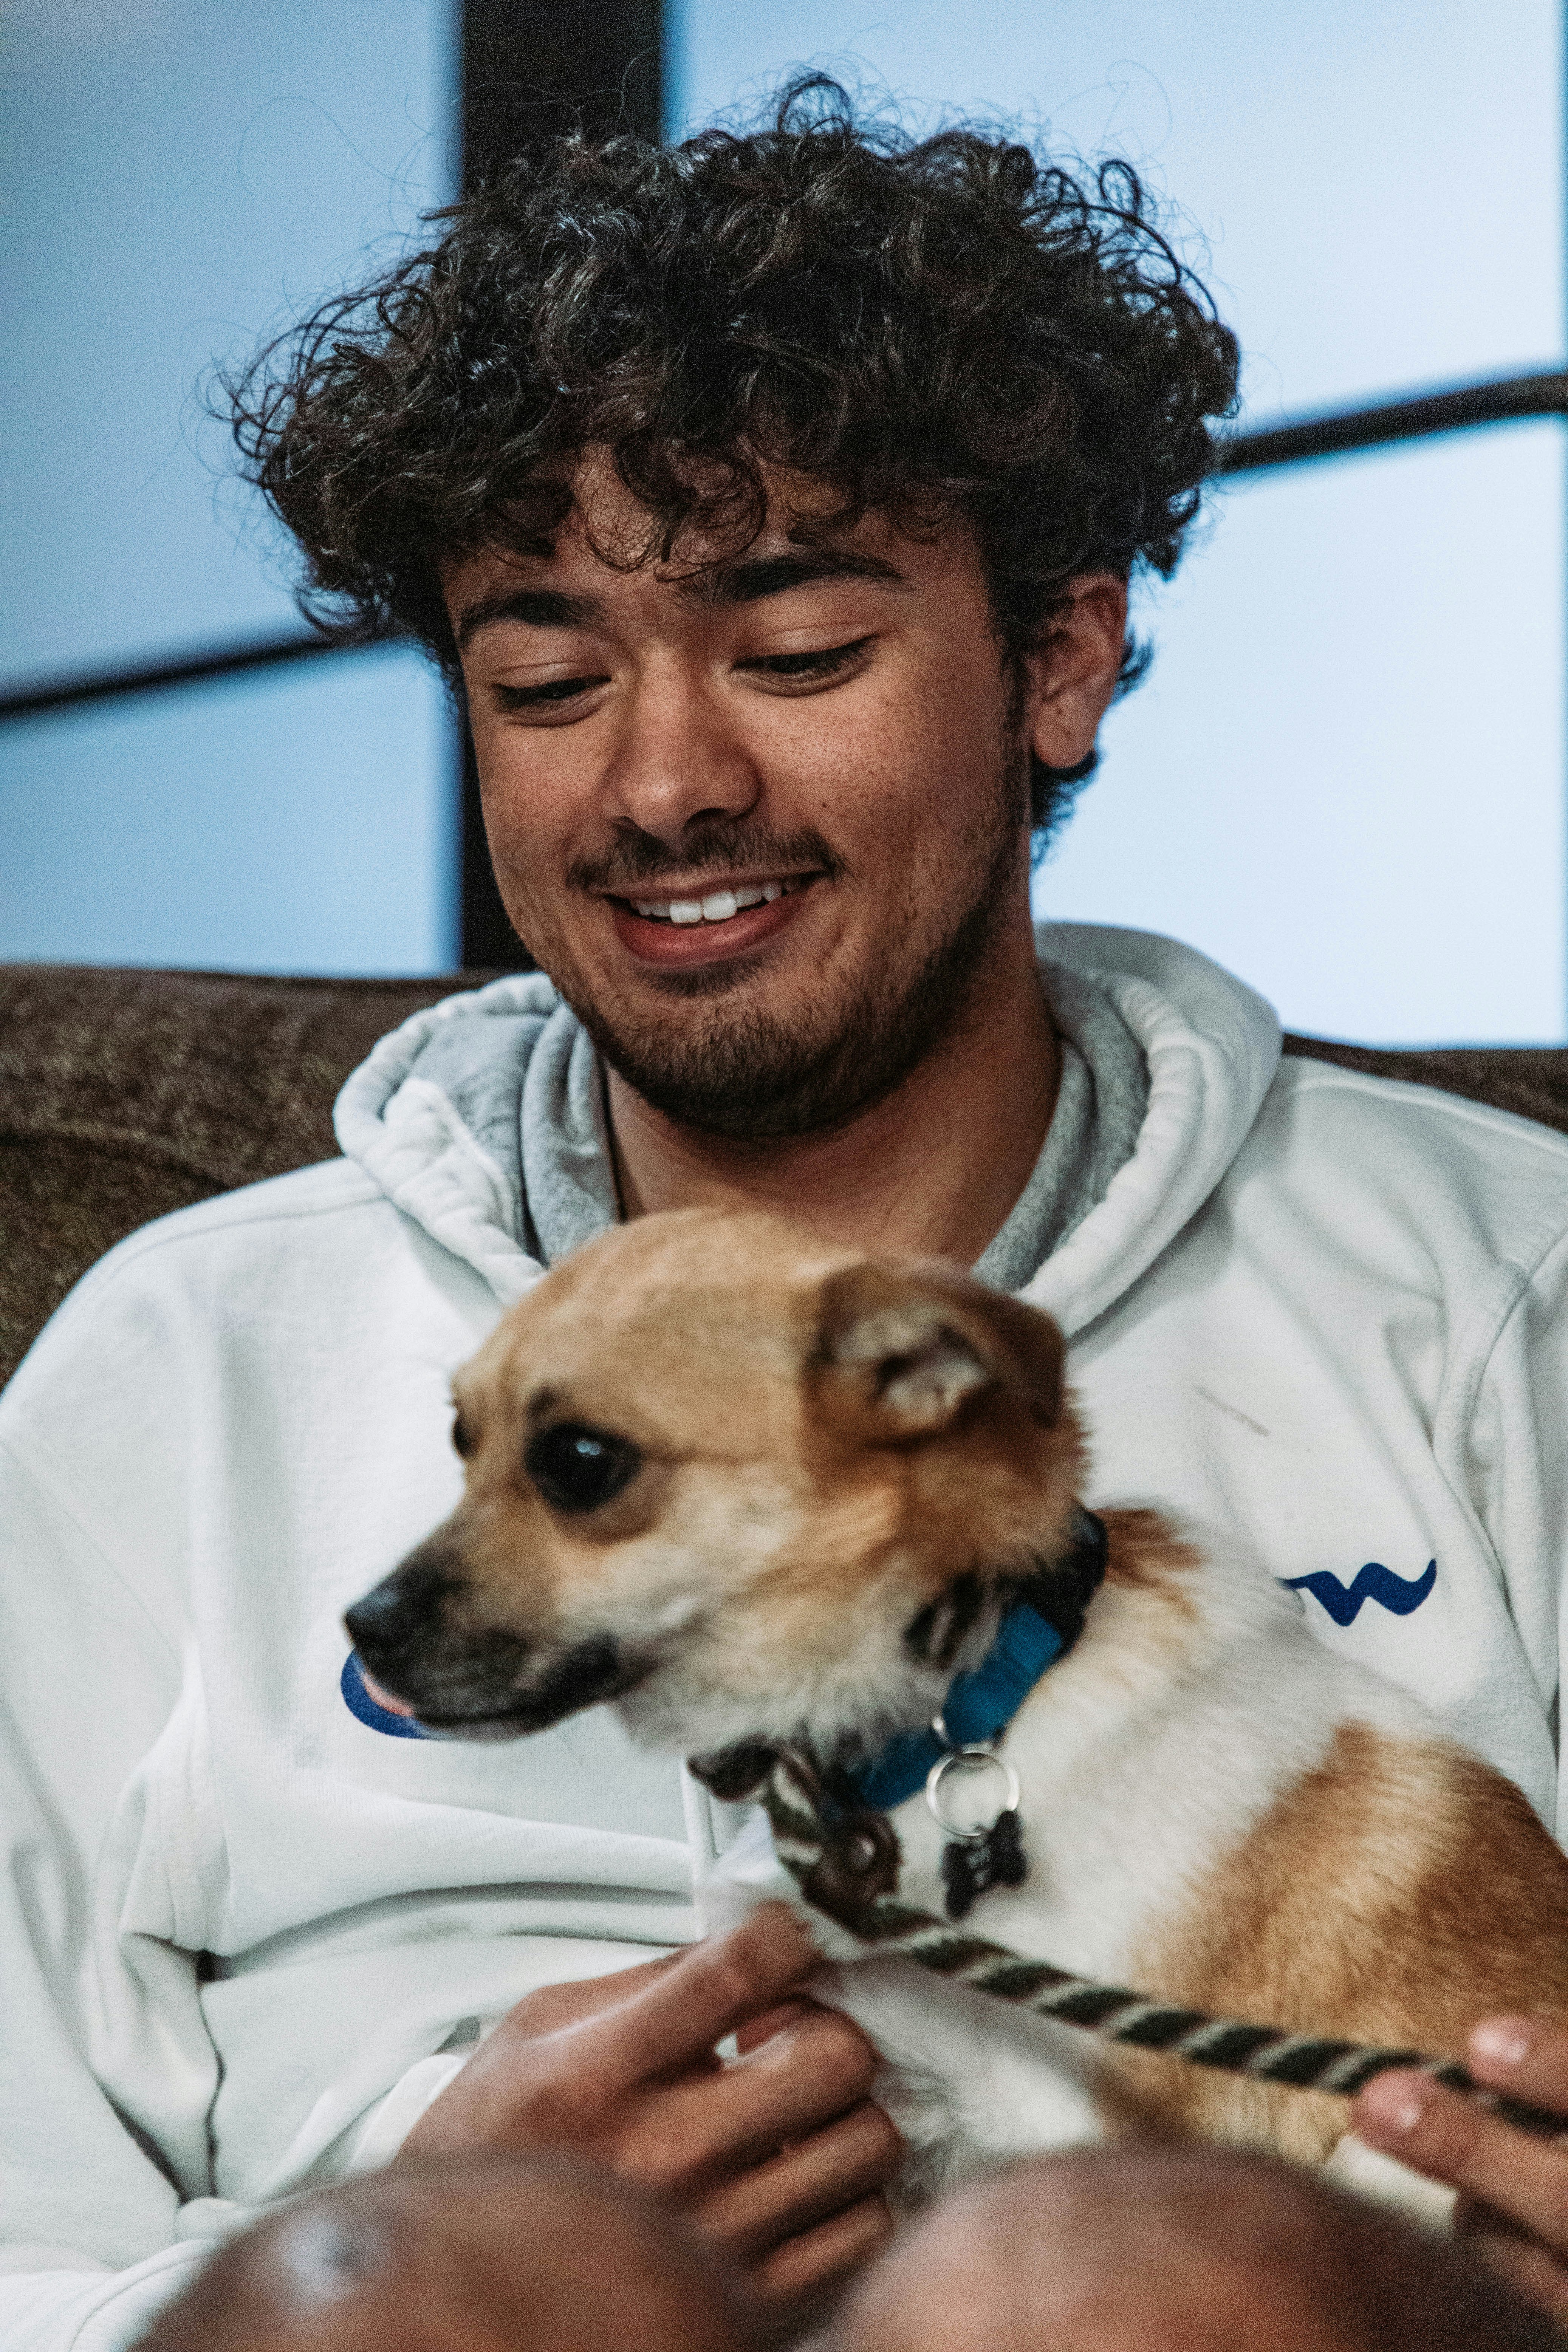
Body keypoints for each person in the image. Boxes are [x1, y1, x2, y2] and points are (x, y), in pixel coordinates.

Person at [6, 77, 1568, 2348]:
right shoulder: (181, 1368)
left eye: (799, 653)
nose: (660, 786)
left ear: (1053, 658)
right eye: (543, 679)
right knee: (424, 2288)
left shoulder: (1492, 1282)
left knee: (1113, 2281)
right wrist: (369, 2218)